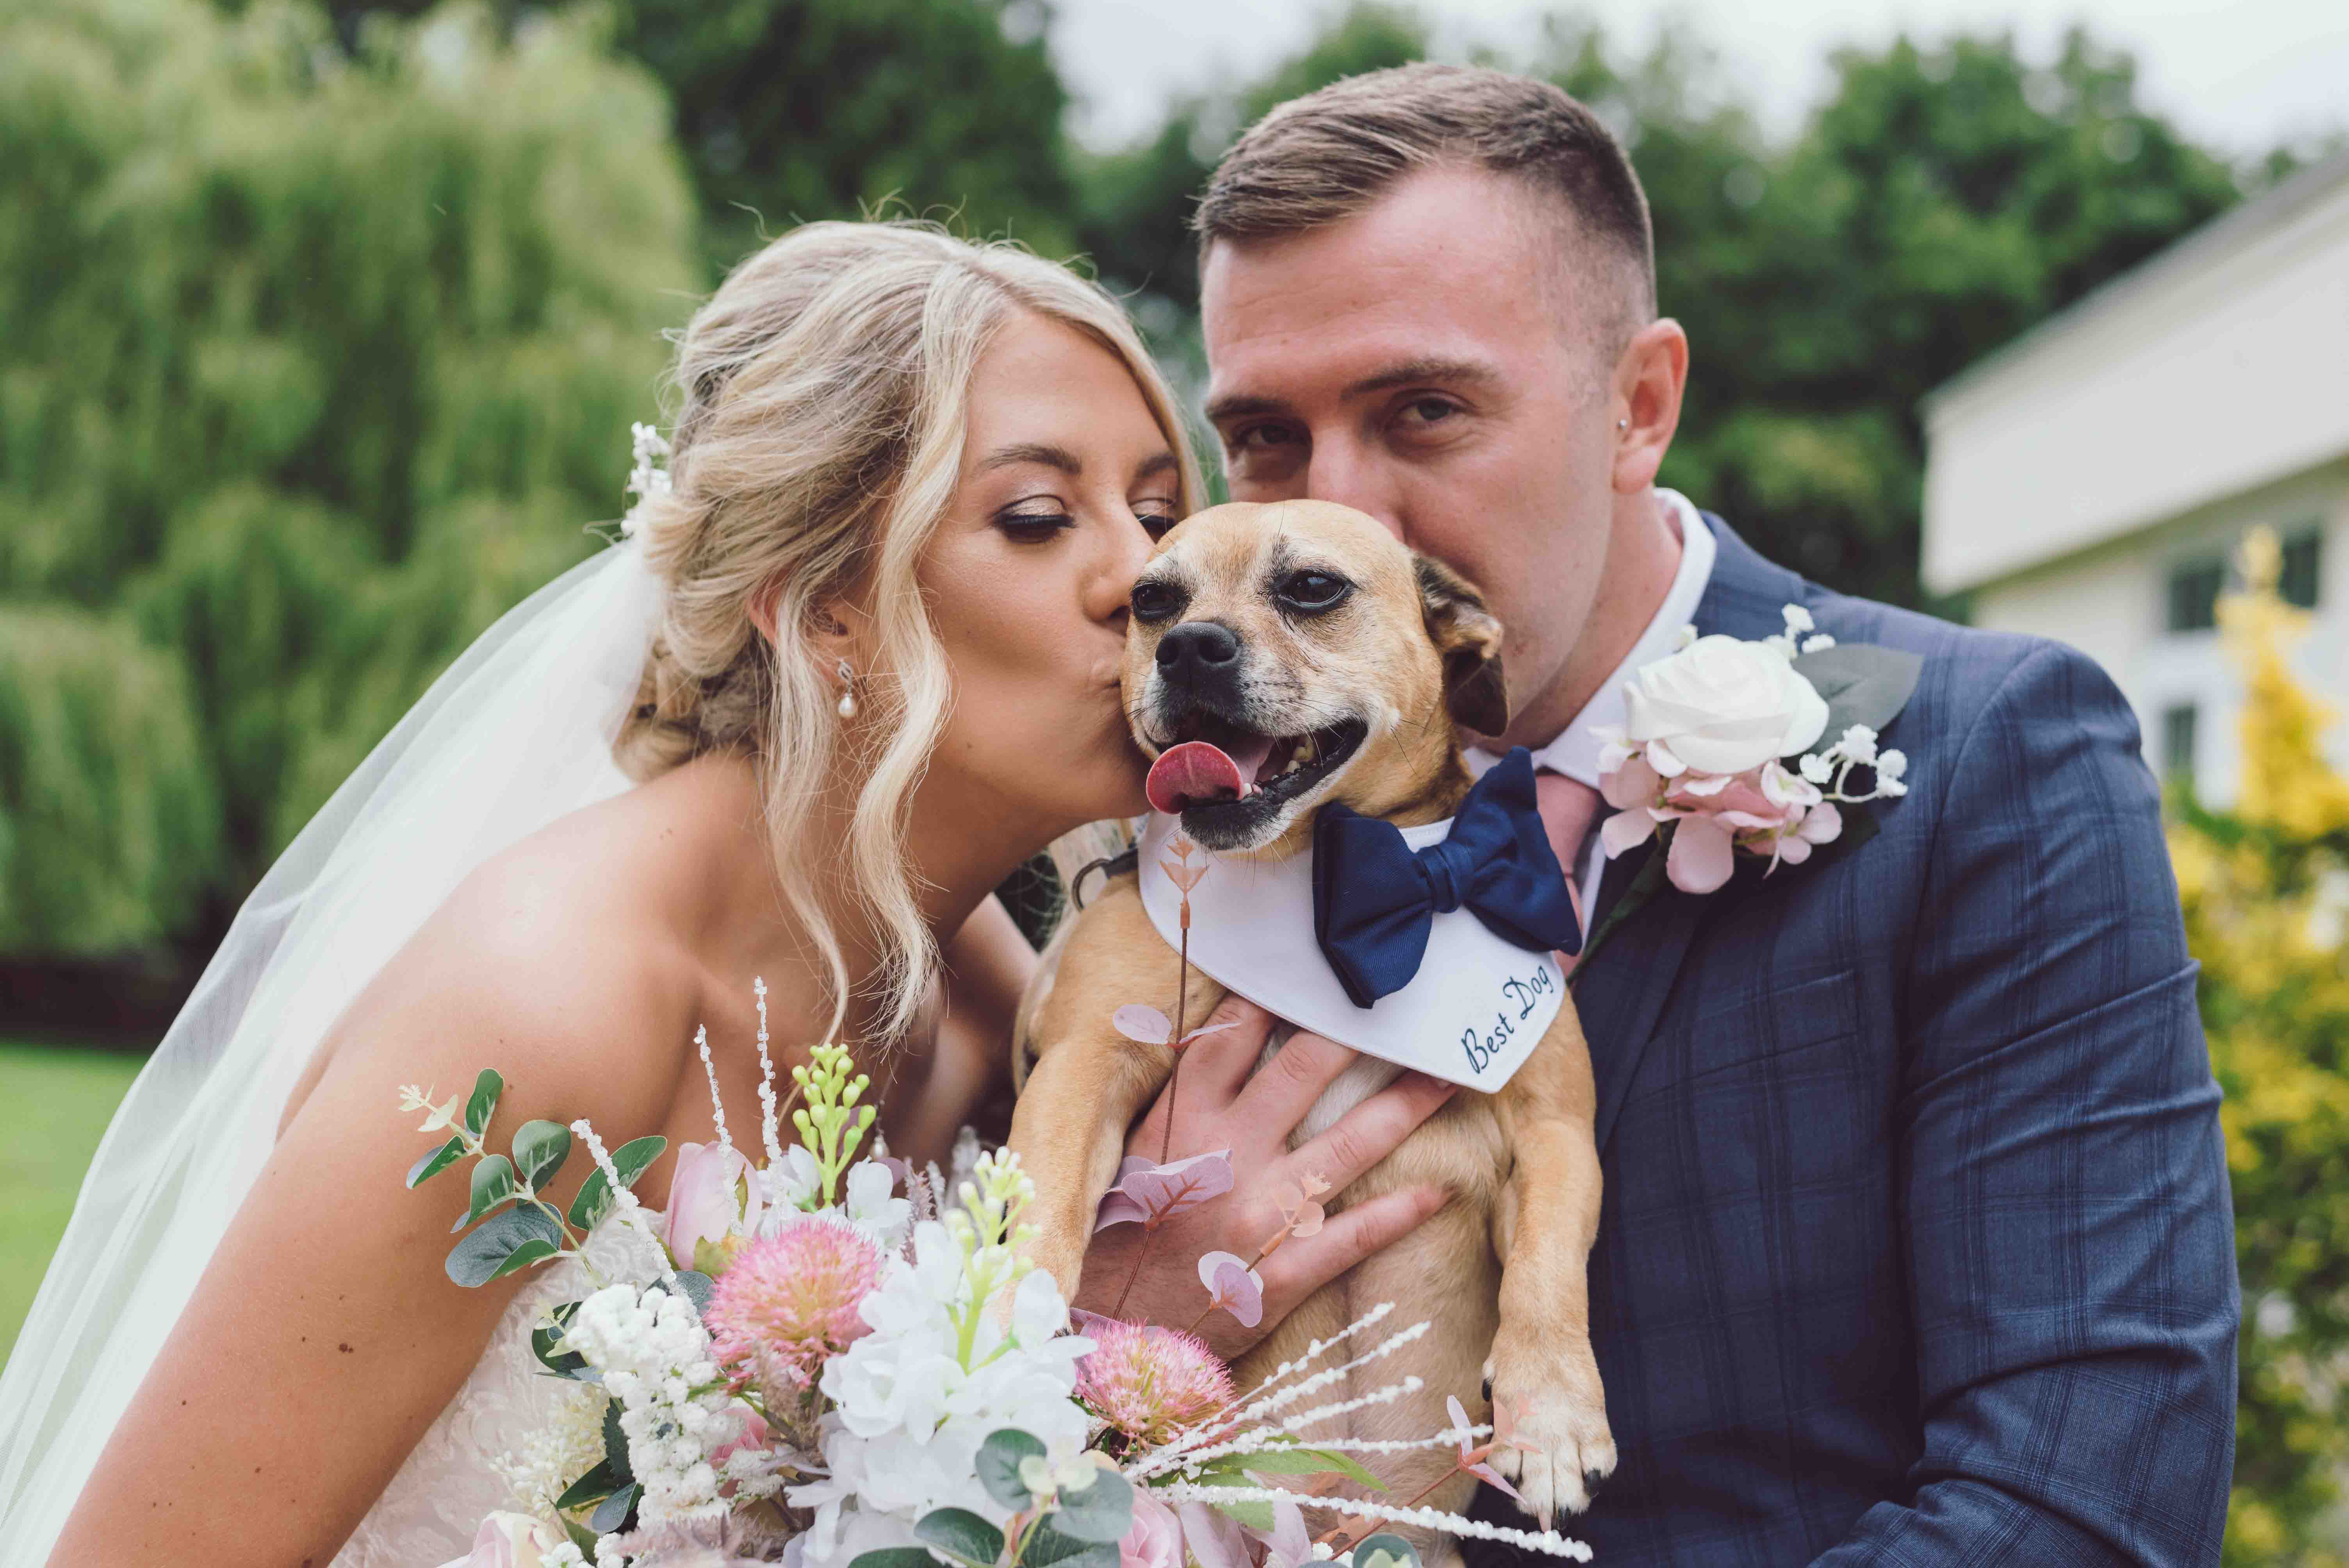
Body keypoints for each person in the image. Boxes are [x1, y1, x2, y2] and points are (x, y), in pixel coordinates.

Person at [0, 222, 1454, 1567]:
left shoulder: (977, 976)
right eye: (1035, 516)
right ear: (829, 609)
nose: (1152, 585)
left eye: (1153, 512)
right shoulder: (548, 993)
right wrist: (1102, 1346)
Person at [1151, 62, 2238, 1565]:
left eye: (1426, 410)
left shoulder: (1991, 757)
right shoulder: (1180, 825)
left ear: (1638, 406)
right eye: (1267, 437)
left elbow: (2080, 1494)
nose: (1343, 512)